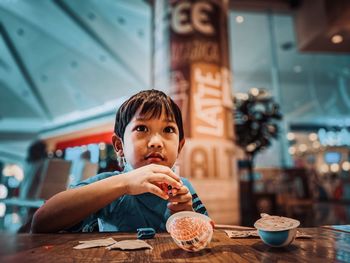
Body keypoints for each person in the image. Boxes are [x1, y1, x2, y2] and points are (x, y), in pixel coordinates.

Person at [31, 89, 207, 233]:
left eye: (168, 129)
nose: (155, 142)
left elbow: (208, 232)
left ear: (180, 146)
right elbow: (41, 222)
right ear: (119, 145)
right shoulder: (108, 185)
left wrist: (188, 216)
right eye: (142, 128)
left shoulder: (183, 188)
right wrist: (125, 183)